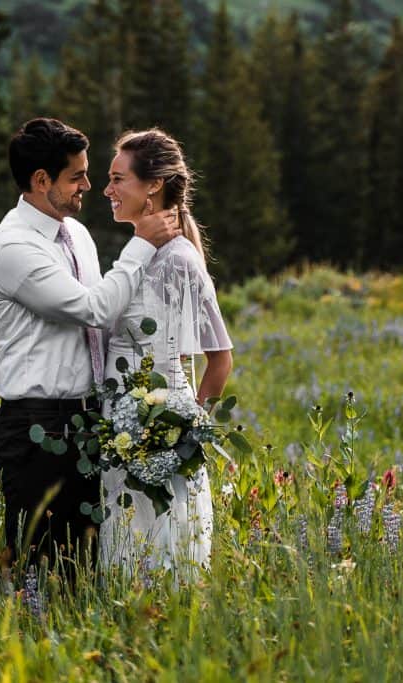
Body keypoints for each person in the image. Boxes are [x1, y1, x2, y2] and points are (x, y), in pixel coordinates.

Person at [0, 118, 180, 576]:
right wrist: (142, 245)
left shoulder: (77, 236)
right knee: (40, 567)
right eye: (77, 176)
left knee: (85, 566)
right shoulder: (13, 246)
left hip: (88, 420)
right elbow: (94, 309)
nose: (88, 185)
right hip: (37, 426)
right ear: (41, 180)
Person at [98, 128, 234, 580]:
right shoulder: (141, 251)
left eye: (119, 179)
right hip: (119, 425)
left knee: (159, 550)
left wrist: (189, 427)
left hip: (160, 428)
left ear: (152, 185)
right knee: (125, 549)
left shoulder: (179, 258)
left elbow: (221, 357)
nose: (108, 189)